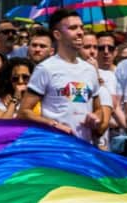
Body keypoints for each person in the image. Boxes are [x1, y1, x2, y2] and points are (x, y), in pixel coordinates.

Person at [22, 10, 107, 140]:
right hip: (57, 149)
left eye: (81, 27)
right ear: (57, 34)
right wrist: (53, 125)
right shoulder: (45, 69)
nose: (80, 32)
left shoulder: (90, 70)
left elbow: (98, 109)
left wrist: (96, 117)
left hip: (84, 149)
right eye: (73, 28)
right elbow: (23, 112)